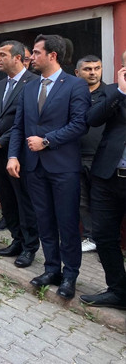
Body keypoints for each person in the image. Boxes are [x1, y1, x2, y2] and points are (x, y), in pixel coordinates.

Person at [7, 34, 90, 300]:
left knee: (66, 223)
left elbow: (80, 124)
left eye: (36, 53)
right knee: (44, 221)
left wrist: (47, 141)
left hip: (63, 167)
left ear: (52, 56)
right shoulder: (29, 88)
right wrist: (12, 156)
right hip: (33, 167)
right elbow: (18, 126)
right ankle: (52, 268)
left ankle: (70, 275)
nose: (31, 57)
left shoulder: (75, 85)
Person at [0, 40, 39, 268]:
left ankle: (29, 247)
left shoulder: (33, 83)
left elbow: (25, 122)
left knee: (23, 202)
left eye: (2, 54)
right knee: (7, 202)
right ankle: (17, 240)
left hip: (19, 155)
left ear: (18, 58)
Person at [79, 53, 126, 310]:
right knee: (105, 238)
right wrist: (120, 91)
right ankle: (118, 292)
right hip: (108, 177)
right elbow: (92, 119)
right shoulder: (113, 92)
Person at [75, 55, 105, 253]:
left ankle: (104, 241)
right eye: (87, 69)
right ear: (77, 73)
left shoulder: (110, 93)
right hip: (75, 156)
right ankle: (90, 237)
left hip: (101, 157)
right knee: (82, 200)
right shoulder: (73, 94)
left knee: (103, 201)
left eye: (97, 68)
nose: (93, 72)